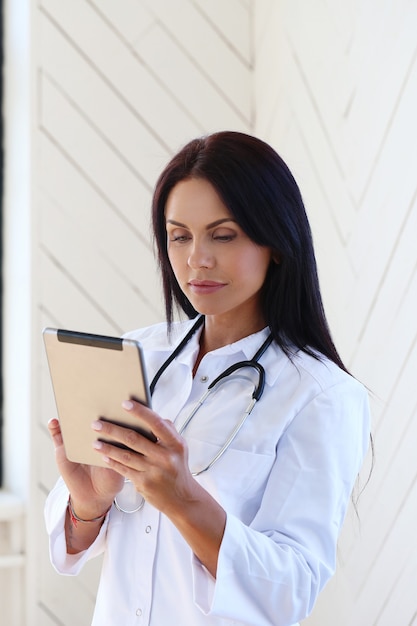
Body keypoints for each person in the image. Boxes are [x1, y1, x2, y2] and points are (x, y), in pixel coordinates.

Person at [45, 131, 370, 626]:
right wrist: (89, 505)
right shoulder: (140, 355)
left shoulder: (321, 396)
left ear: (276, 242)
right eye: (180, 236)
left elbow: (292, 590)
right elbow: (75, 544)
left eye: (224, 234)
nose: (197, 258)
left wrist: (185, 499)